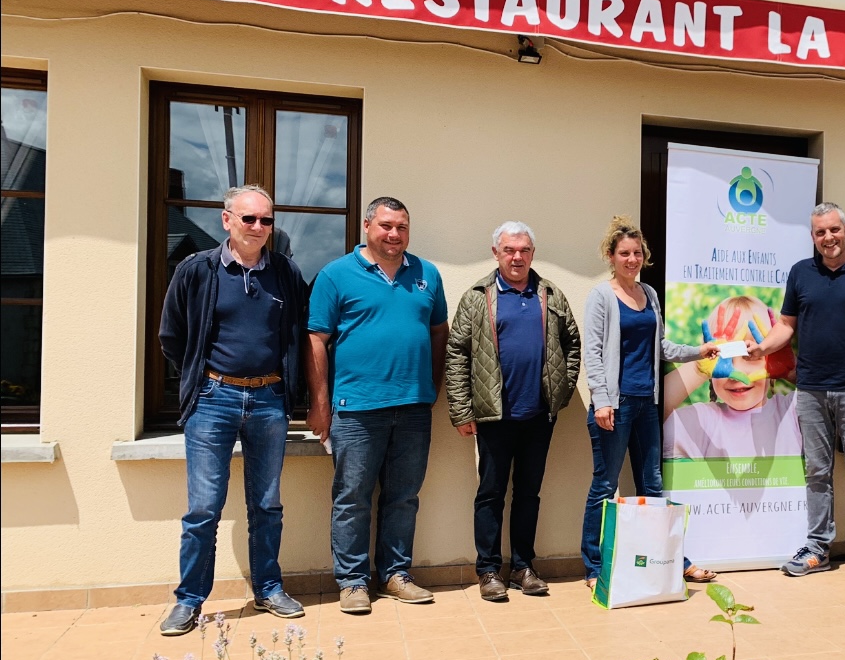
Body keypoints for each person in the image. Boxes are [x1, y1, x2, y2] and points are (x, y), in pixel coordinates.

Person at [157, 185, 309, 636]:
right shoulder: (196, 270)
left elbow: (299, 333)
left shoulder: (285, 273)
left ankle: (268, 589)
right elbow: (173, 336)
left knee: (266, 504)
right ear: (227, 220)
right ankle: (188, 601)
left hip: (268, 400)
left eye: (266, 220)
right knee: (204, 507)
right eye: (249, 219)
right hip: (213, 400)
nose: (259, 228)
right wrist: (200, 379)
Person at [746, 202, 845, 585]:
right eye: (820, 232)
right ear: (812, 236)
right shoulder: (801, 273)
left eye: (833, 230)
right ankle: (818, 549)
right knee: (817, 471)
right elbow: (786, 326)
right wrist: (761, 349)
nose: (828, 238)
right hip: (812, 388)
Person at [307, 197, 448, 614]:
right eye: (386, 225)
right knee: (352, 497)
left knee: (403, 496)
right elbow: (316, 339)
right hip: (355, 408)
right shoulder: (336, 275)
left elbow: (439, 332)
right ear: (367, 225)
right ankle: (352, 581)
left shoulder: (427, 274)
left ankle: (395, 574)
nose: (394, 234)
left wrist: (432, 384)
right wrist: (320, 404)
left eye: (402, 227)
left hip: (413, 407)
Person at [579, 216, 721, 589]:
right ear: (611, 256)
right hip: (616, 405)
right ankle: (594, 567)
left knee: (653, 487)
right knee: (605, 485)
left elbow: (660, 347)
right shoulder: (601, 296)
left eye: (637, 253)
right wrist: (603, 401)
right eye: (624, 253)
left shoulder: (650, 295)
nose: (632, 259)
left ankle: (671, 561)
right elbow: (593, 353)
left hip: (647, 404)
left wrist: (697, 351)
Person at [445, 222, 581, 602]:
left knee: (529, 493)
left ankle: (523, 567)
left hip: (538, 415)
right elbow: (457, 353)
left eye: (523, 250)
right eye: (509, 250)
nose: (516, 257)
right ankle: (488, 570)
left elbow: (572, 344)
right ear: (496, 253)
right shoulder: (477, 296)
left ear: (532, 253)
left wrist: (561, 391)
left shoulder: (550, 294)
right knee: (490, 493)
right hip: (492, 416)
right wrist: (461, 409)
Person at [662, 294, 799, 460]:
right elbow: (649, 414)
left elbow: (833, 402)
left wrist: (792, 371)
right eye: (723, 357)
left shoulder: (791, 412)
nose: (737, 373)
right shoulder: (699, 422)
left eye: (752, 357)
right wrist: (698, 367)